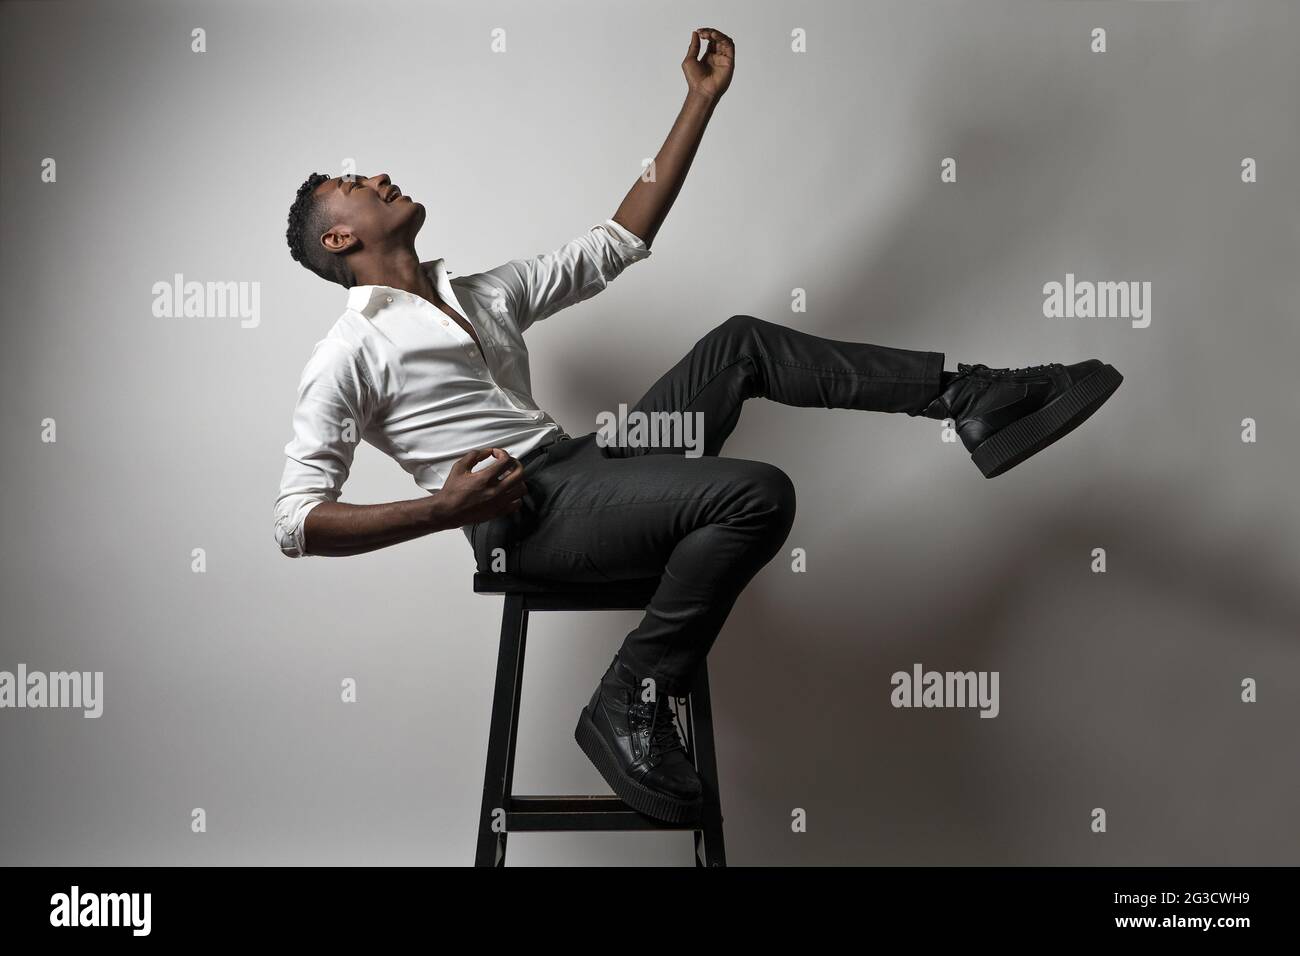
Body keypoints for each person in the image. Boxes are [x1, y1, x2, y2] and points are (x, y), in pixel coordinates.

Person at [276, 28, 1120, 823]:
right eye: (360, 184)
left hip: (586, 467)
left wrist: (699, 102)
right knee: (756, 494)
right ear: (343, 235)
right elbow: (297, 521)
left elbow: (617, 242)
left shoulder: (475, 293)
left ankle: (972, 399)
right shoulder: (350, 351)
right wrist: (439, 511)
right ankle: (629, 696)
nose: (381, 176)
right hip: (525, 522)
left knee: (742, 346)